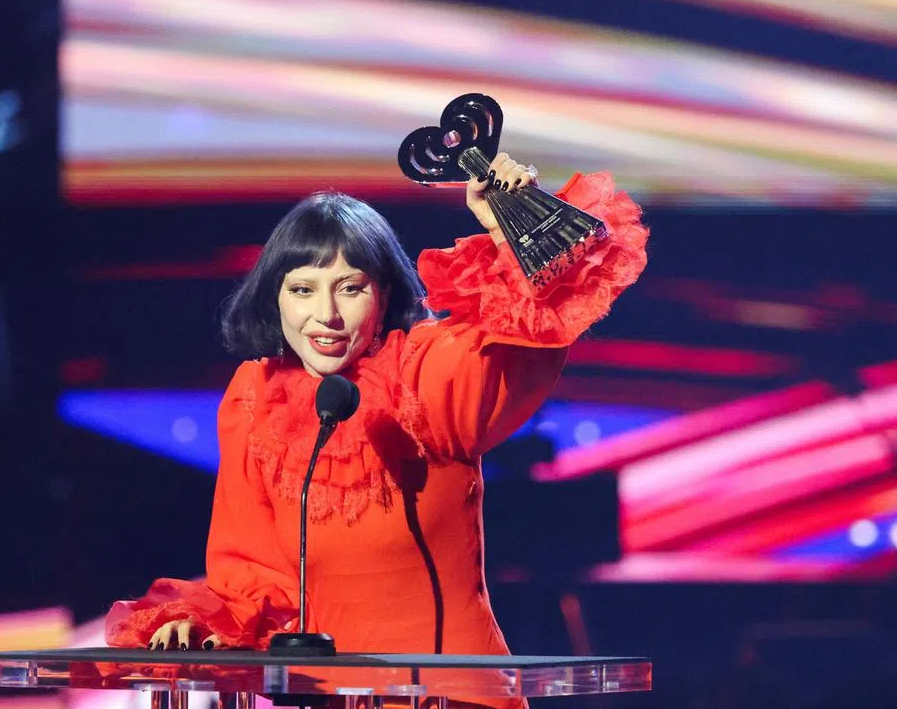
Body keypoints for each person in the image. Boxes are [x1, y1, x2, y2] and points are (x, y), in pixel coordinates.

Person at [103, 155, 648, 672]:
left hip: (452, 689)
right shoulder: (255, 396)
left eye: (350, 288)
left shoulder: (424, 370)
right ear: (276, 299)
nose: (326, 314)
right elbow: (252, 574)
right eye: (302, 290)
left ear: (383, 296)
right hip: (325, 690)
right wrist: (203, 626)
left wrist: (510, 221)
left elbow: (527, 323)